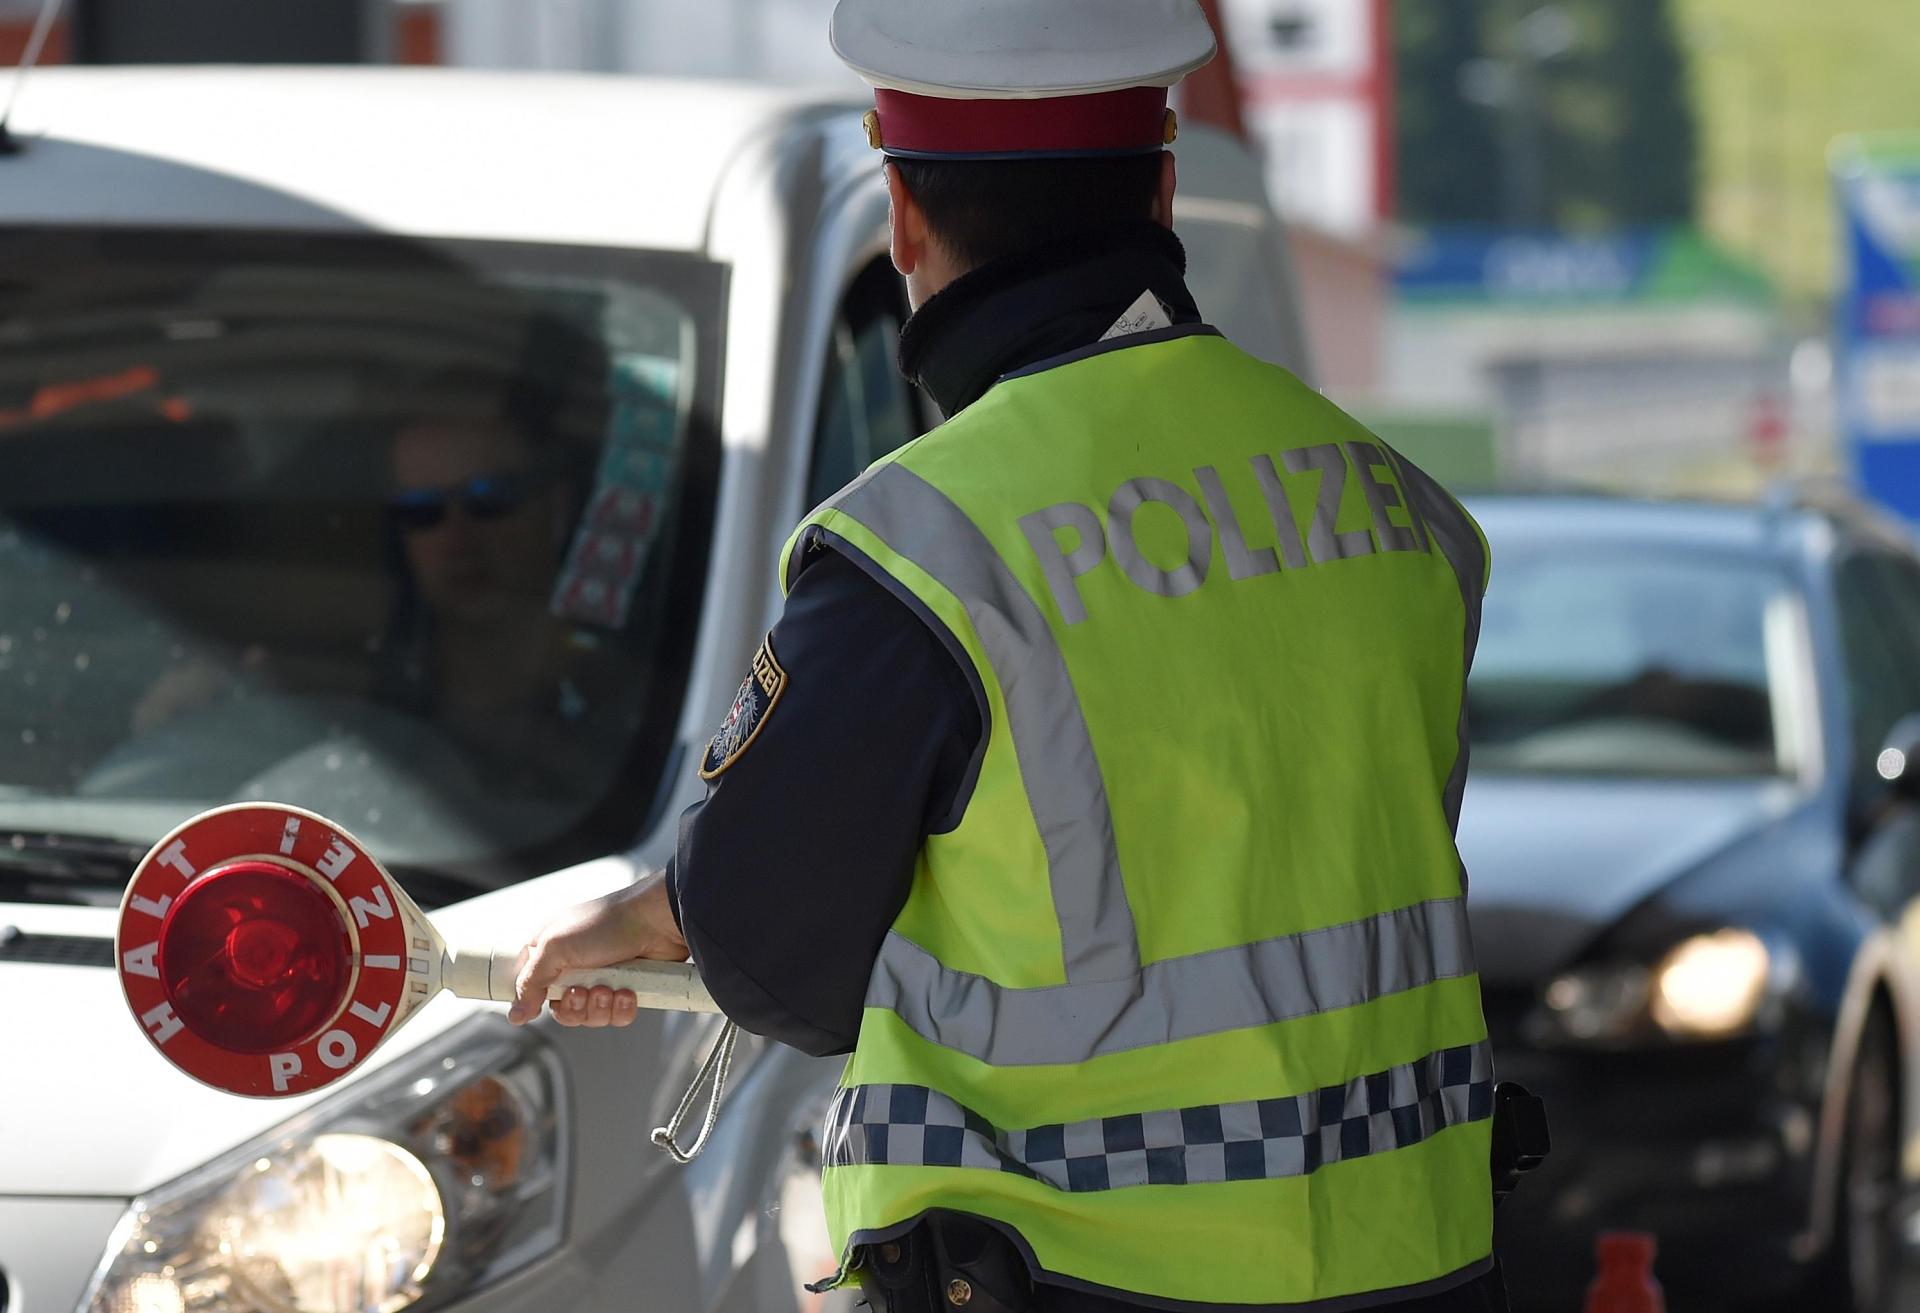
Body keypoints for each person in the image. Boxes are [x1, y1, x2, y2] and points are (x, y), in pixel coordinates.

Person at [508, 1, 1507, 1309]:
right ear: (1162, 188)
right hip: (1420, 1261)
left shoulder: (920, 548)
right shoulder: (1401, 509)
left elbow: (770, 949)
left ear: (905, 220)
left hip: (1079, 1273)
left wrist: (666, 909)